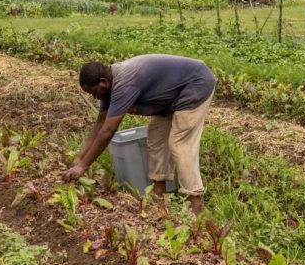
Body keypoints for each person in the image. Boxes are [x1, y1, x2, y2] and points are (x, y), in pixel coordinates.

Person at [63, 54, 216, 213]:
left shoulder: (124, 84)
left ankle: (196, 206)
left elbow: (107, 132)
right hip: (169, 98)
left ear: (103, 82)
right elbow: (100, 124)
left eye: (94, 92)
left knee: (179, 144)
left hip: (196, 83)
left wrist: (83, 166)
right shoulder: (108, 88)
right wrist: (79, 159)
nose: (95, 97)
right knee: (156, 140)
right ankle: (158, 196)